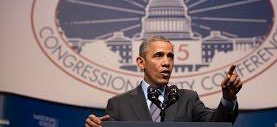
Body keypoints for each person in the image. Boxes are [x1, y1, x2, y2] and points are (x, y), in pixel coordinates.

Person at [85, 36, 242, 127]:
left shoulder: (187, 99)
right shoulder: (118, 104)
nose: (166, 62)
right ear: (141, 62)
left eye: (170, 56)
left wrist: (228, 99)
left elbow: (216, 125)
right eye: (158, 55)